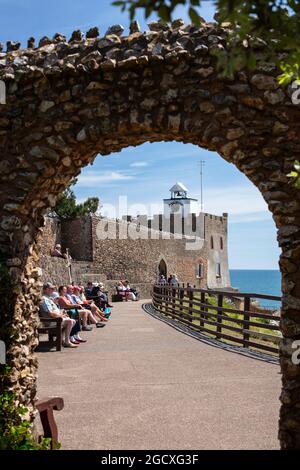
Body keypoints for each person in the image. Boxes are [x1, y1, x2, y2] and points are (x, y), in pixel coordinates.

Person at [40, 282, 77, 348]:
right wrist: (61, 316)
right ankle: (66, 342)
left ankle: (61, 339)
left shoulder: (49, 298)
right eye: (51, 289)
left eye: (53, 289)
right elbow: (50, 313)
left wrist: (62, 312)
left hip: (56, 319)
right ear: (45, 289)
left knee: (72, 321)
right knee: (70, 321)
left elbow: (55, 310)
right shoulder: (44, 299)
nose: (53, 290)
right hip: (51, 321)